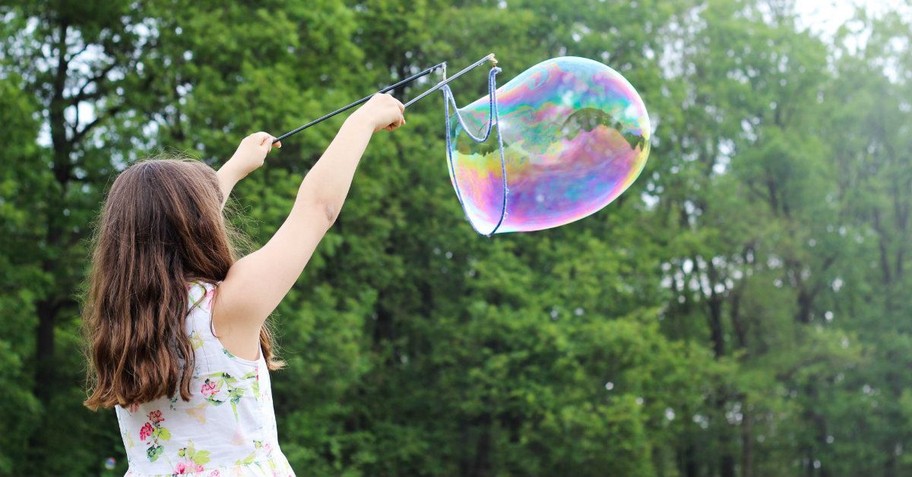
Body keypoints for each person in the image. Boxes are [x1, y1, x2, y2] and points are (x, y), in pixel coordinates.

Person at [82, 94, 406, 476]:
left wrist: (234, 168)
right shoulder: (227, 307)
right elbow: (318, 208)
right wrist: (363, 119)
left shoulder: (124, 324)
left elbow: (169, 228)